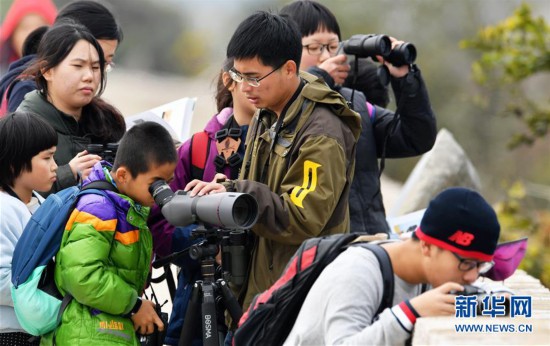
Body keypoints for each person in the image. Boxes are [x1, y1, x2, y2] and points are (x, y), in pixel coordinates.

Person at [186, 11, 361, 311]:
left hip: (298, 296)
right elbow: (260, 187)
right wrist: (225, 188)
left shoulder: (322, 131)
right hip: (262, 290)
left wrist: (239, 192)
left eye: (254, 77)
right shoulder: (267, 112)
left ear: (290, 69)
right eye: (239, 76)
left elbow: (302, 217)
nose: (244, 88)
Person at [280, 0, 437, 235]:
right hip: (316, 250)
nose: (326, 56)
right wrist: (319, 80)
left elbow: (416, 137)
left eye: (333, 46)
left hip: (371, 240)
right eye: (314, 48)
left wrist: (404, 76)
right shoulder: (274, 108)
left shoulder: (356, 104)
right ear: (287, 53)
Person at [283, 187, 501, 345]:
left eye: (481, 266)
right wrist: (410, 313)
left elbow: (470, 300)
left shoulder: (431, 277)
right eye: (467, 263)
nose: (473, 276)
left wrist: (498, 302)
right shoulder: (357, 271)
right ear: (427, 247)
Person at [148, 57, 257, 345]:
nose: (257, 85)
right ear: (228, 79)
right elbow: (160, 220)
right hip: (198, 292)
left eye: (263, 75)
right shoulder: (198, 148)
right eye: (249, 76)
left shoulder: (285, 145)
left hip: (260, 289)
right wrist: (208, 247)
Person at [42, 121, 177, 345]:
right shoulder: (98, 208)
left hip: (105, 328)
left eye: (169, 182)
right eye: (155, 183)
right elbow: (82, 276)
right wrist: (134, 306)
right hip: (86, 334)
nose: (162, 191)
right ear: (123, 175)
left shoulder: (126, 206)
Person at [16, 21, 126, 195]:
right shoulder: (24, 126)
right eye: (78, 66)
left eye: (96, 67)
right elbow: (19, 191)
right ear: (47, 70)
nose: (89, 76)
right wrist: (70, 173)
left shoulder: (107, 121)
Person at [1, 0, 123, 115]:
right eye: (79, 64)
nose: (91, 75)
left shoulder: (100, 116)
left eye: (104, 64)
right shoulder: (27, 93)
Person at [0, 112, 58, 345]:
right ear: (15, 164)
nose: (55, 166)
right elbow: (2, 281)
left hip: (35, 331)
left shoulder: (41, 203)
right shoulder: (4, 208)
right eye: (47, 158)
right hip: (8, 333)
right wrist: (56, 294)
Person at [0, 0, 57, 75]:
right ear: (12, 36)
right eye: (25, 27)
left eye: (40, 26)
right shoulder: (3, 79)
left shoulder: (63, 74)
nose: (32, 34)